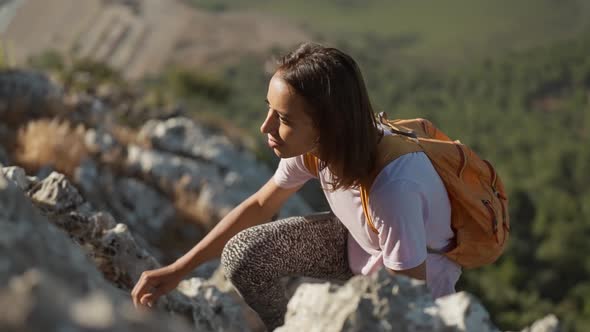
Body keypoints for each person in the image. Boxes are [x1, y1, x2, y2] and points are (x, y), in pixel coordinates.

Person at [131, 42, 461, 331]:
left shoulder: (394, 187)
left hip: (411, 282)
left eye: (284, 120)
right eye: (269, 110)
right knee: (243, 255)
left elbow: (405, 299)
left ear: (329, 125)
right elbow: (261, 206)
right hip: (361, 244)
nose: (266, 127)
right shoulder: (314, 148)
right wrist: (179, 269)